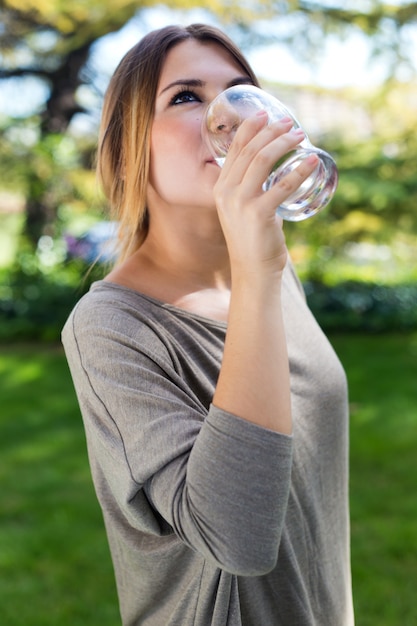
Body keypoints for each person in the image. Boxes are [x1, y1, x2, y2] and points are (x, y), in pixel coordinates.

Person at [62, 23, 354, 626]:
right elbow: (238, 540)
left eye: (241, 92)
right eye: (187, 97)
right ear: (129, 147)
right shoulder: (110, 327)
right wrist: (257, 269)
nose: (229, 120)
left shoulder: (272, 270)